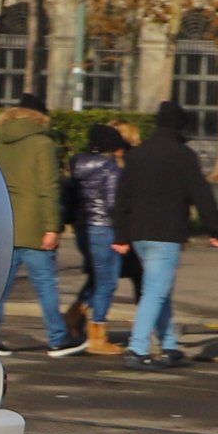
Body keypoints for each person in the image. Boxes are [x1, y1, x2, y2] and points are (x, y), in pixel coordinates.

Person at [109, 99, 218, 369]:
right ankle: (137, 348)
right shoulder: (182, 155)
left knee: (158, 288)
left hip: (139, 233)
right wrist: (216, 230)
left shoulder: (137, 154)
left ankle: (170, 344)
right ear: (181, 126)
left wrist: (121, 235)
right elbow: (202, 194)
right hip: (167, 232)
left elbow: (123, 198)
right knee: (156, 291)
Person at [0, 91, 71, 355]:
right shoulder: (42, 144)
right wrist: (52, 226)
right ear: (40, 117)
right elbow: (49, 187)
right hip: (34, 226)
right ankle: (58, 339)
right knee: (45, 284)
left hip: (3, 225)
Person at [66, 123, 128, 356]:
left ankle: (73, 317)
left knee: (96, 278)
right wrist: (125, 233)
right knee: (107, 283)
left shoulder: (78, 166)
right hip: (104, 229)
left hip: (84, 228)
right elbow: (114, 205)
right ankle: (97, 337)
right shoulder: (111, 170)